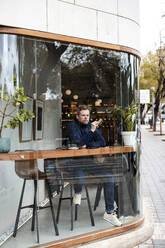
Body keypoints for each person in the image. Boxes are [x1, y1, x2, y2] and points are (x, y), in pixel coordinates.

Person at [66, 105, 121, 227]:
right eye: (83, 115)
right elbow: (78, 142)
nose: (86, 118)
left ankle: (109, 213)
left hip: (89, 163)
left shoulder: (91, 126)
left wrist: (88, 145)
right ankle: (78, 192)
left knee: (109, 178)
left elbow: (102, 142)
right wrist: (90, 134)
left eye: (87, 115)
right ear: (77, 116)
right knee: (79, 178)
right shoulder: (72, 126)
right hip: (75, 162)